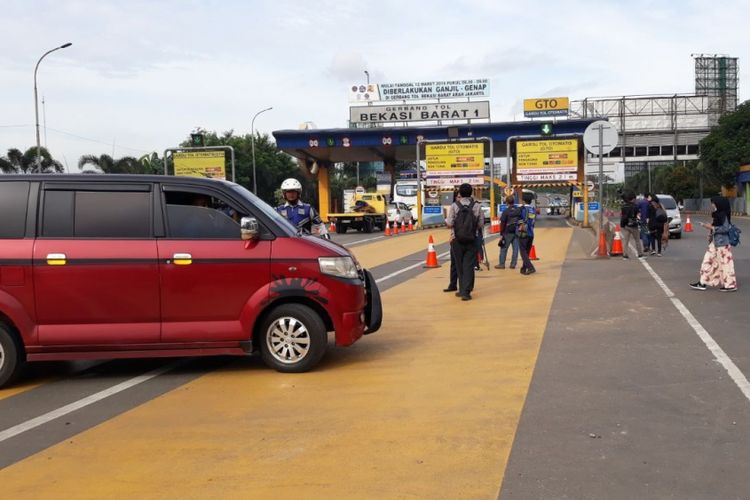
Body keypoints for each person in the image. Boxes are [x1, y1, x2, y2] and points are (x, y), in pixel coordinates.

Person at [690, 196, 738, 292]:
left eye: (713, 203)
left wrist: (711, 228)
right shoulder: (717, 214)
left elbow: (725, 228)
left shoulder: (723, 215)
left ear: (719, 204)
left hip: (722, 244)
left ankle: (730, 285)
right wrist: (710, 232)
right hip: (715, 243)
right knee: (707, 262)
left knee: (726, 264)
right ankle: (702, 282)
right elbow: (715, 227)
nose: (712, 205)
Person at [445, 183, 484, 301]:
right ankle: (466, 291)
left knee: (459, 265)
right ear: (471, 193)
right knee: (469, 265)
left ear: (460, 193)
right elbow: (481, 224)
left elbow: (450, 223)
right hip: (472, 239)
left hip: (456, 240)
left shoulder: (454, 206)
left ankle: (462, 290)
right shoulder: (477, 206)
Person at [495, 195, 521, 269]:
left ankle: (502, 264)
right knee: (515, 249)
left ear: (506, 202)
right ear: (513, 201)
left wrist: (501, 234)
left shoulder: (506, 211)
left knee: (504, 248)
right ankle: (513, 264)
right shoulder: (518, 210)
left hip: (507, 232)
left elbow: (502, 223)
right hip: (516, 231)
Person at [619, 192, 644, 259]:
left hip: (626, 225)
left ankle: (625, 255)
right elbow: (638, 215)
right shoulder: (635, 206)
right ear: (633, 199)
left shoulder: (623, 206)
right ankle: (640, 254)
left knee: (626, 241)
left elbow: (622, 215)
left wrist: (622, 224)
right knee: (637, 240)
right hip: (633, 225)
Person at [518, 191, 537, 275]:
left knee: (523, 252)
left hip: (523, 233)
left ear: (523, 200)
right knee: (527, 251)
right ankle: (524, 268)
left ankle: (530, 267)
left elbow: (519, 220)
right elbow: (532, 221)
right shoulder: (532, 209)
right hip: (531, 233)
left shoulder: (522, 209)